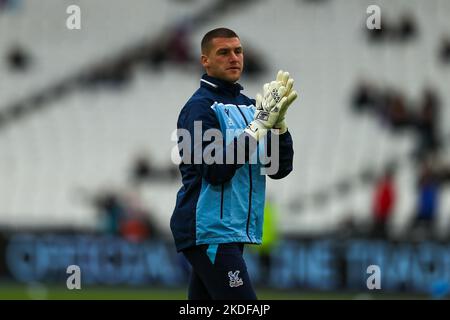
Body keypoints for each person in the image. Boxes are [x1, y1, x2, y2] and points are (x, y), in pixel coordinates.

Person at [170, 28, 297, 300]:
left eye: (238, 51)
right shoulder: (199, 108)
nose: (234, 58)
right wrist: (258, 126)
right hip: (209, 230)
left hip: (231, 231)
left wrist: (279, 128)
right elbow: (215, 170)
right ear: (205, 60)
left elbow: (278, 169)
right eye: (223, 52)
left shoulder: (251, 107)